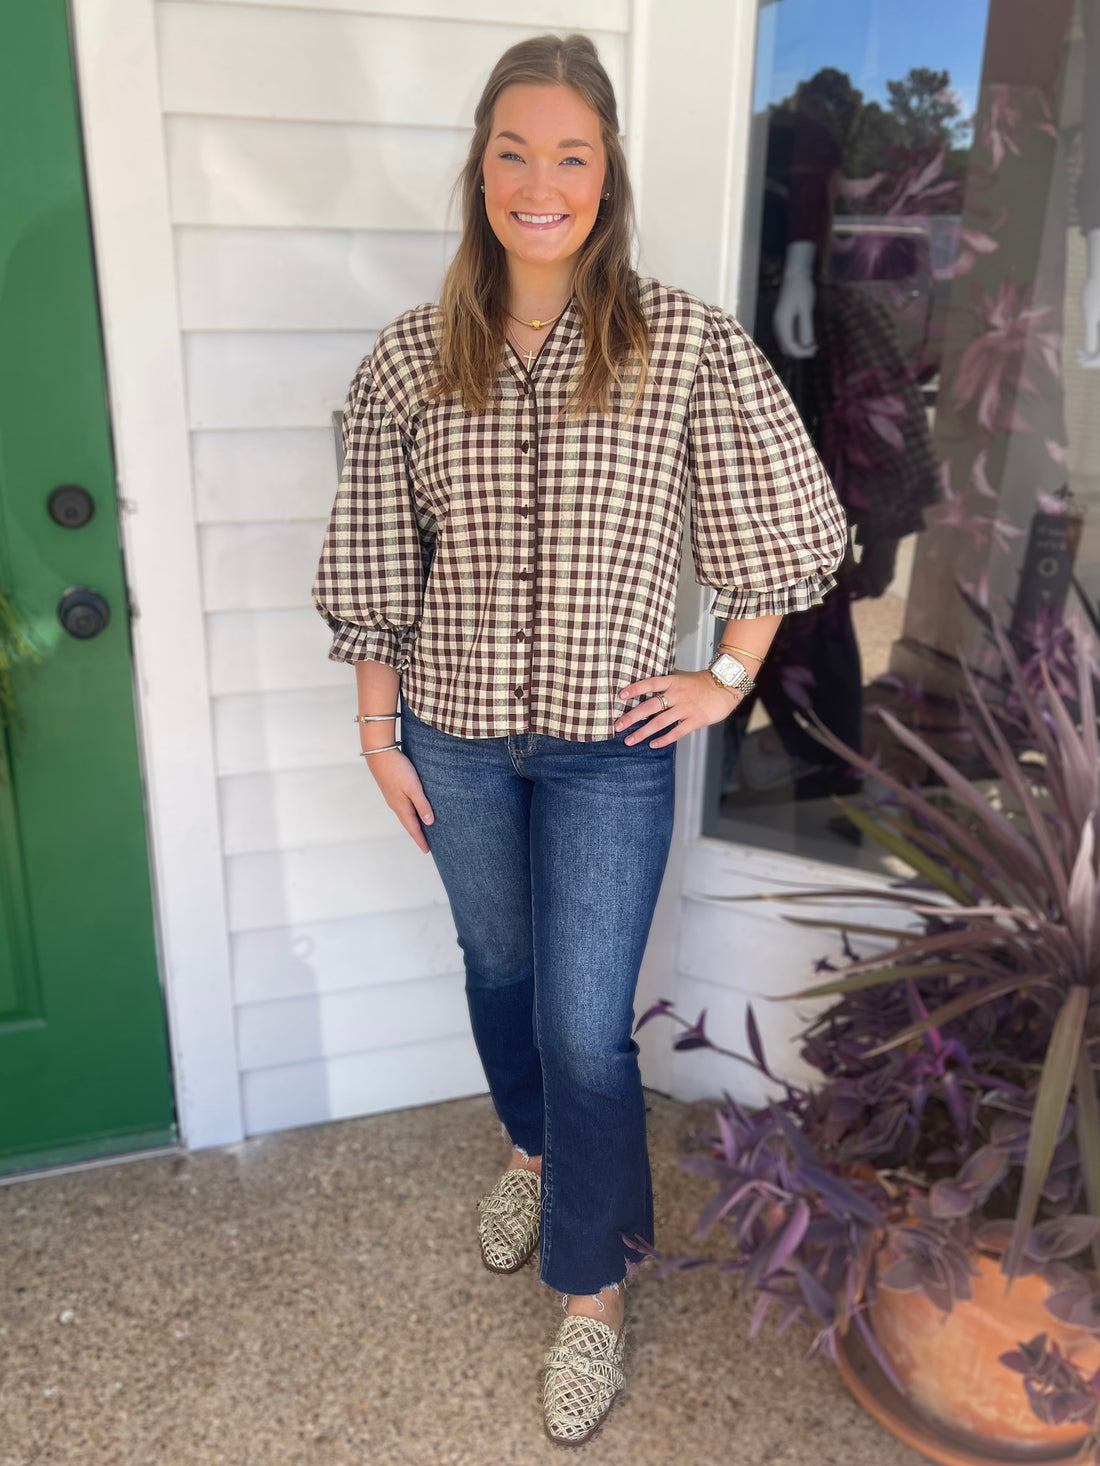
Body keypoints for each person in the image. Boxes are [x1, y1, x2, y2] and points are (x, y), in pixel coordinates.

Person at [313, 32, 846, 1446]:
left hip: (613, 749)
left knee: (586, 1026)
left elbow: (785, 537)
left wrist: (724, 677)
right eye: (512, 151)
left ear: (606, 179)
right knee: (499, 968)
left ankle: (591, 1294)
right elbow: (375, 566)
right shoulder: (409, 364)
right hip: (458, 739)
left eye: (570, 155)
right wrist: (380, 733)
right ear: (477, 168)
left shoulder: (683, 346)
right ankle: (533, 1151)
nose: (538, 182)